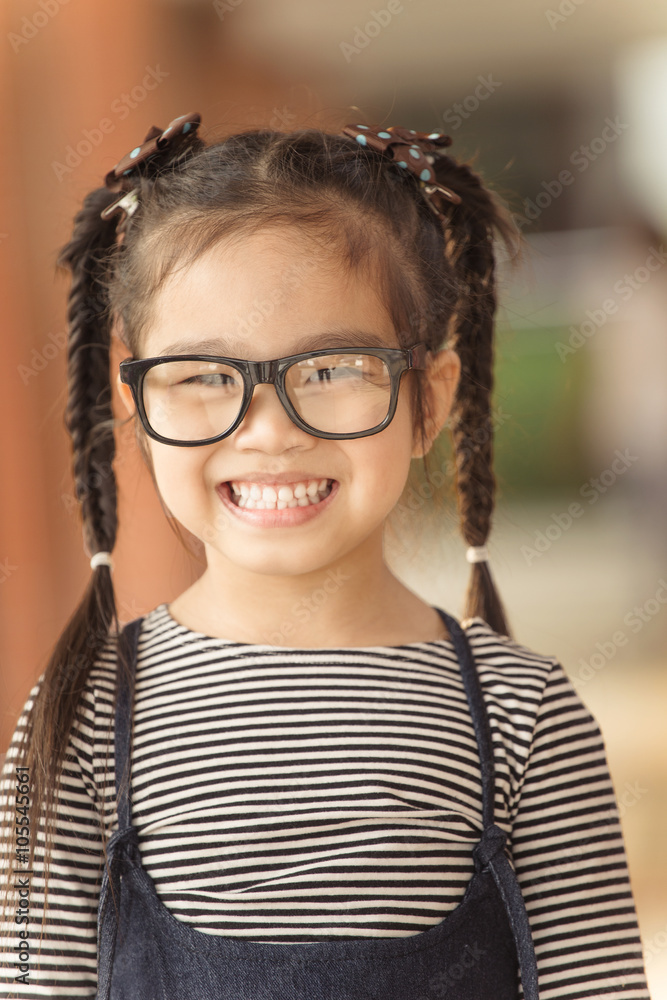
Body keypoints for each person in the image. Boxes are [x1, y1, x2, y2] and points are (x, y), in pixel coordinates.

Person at [0, 113, 650, 999]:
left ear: (429, 398)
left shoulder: (521, 713)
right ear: (136, 398)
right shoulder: (85, 711)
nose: (268, 433)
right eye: (202, 376)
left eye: (331, 369)